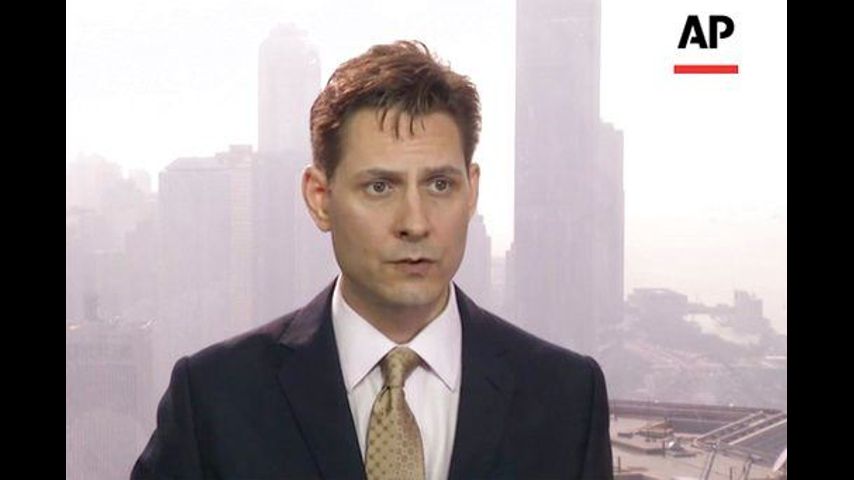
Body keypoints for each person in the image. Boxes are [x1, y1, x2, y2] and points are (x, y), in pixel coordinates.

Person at [131, 40, 613, 480]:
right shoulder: (214, 399)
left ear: (471, 193)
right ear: (320, 198)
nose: (415, 223)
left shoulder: (567, 398)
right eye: (380, 187)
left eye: (439, 184)